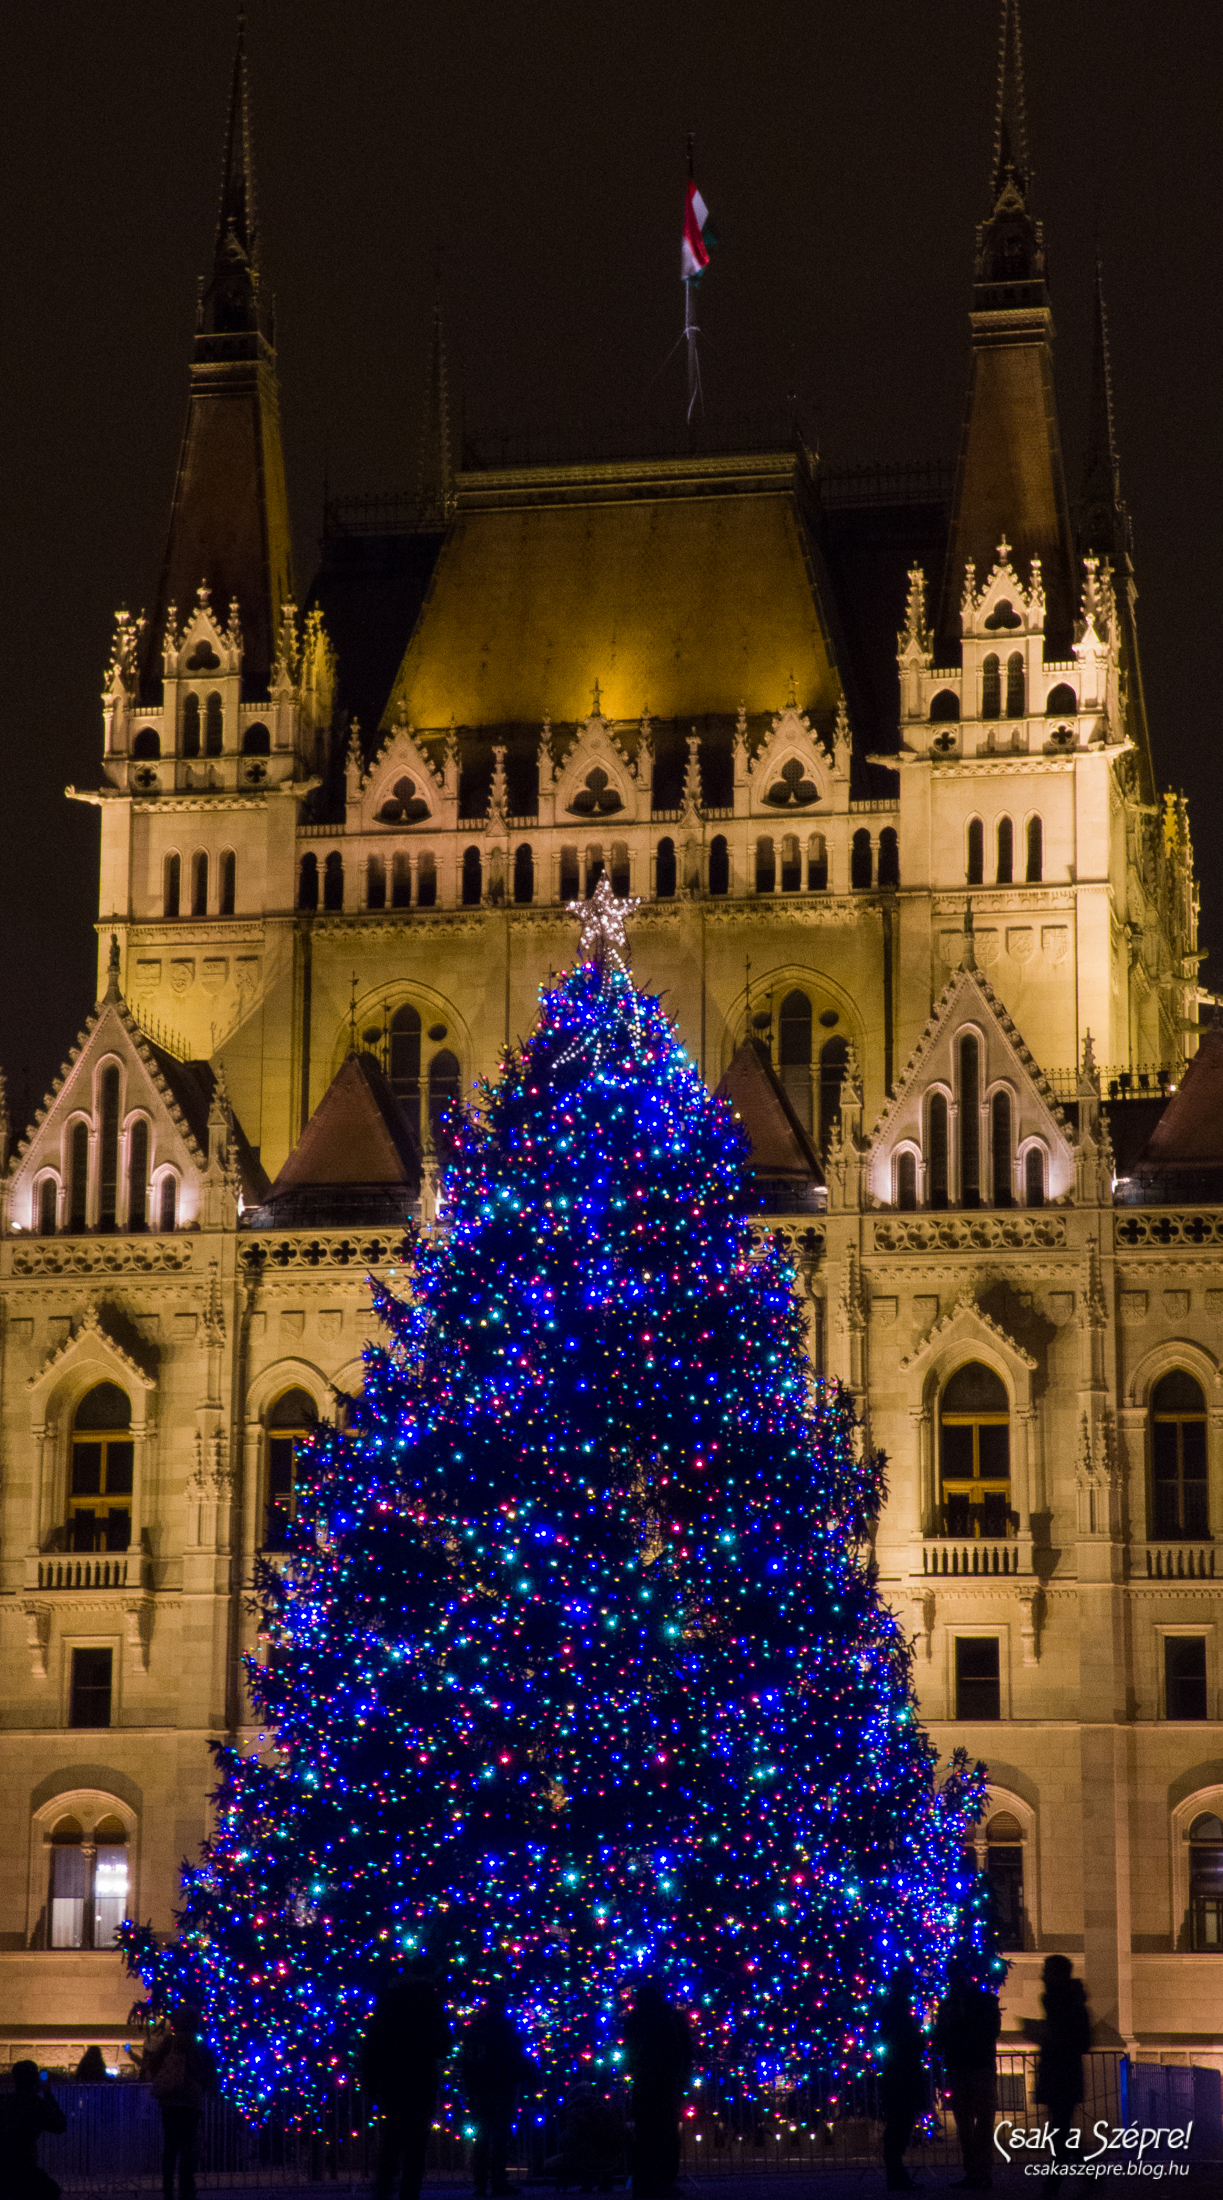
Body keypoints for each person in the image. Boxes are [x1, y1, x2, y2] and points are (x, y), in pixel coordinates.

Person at [363, 1955, 451, 2200]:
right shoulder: (429, 2000)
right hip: (420, 2078)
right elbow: (444, 2043)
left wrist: (371, 2079)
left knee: (392, 2139)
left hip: (391, 2080)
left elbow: (372, 2043)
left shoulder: (388, 1999)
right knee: (416, 2144)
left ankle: (383, 2191)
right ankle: (409, 2193)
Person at [621, 1979, 693, 2199]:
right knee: (665, 2134)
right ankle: (662, 2181)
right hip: (666, 2085)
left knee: (646, 2135)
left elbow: (630, 2054)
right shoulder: (669, 2019)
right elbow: (683, 2052)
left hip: (646, 2085)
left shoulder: (636, 2021)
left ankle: (645, 2183)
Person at [933, 1958, 1001, 2190]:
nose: (955, 1982)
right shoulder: (949, 2004)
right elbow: (939, 2038)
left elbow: (992, 2031)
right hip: (960, 2067)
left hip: (977, 2066)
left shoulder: (982, 2001)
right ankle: (974, 2171)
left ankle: (981, 2170)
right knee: (965, 2124)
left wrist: (963, 2020)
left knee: (982, 2122)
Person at [458, 1993, 531, 2197]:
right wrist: (525, 2079)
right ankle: (499, 2182)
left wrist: (470, 2086)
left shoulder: (475, 2029)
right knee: (499, 2137)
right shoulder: (505, 2028)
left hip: (479, 2090)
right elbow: (516, 2057)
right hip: (502, 2089)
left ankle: (480, 2184)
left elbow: (467, 2061)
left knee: (482, 2137)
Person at [144, 2007, 217, 2200]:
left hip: (170, 2100)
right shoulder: (200, 2044)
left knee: (170, 2145)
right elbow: (210, 2071)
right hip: (192, 2101)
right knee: (188, 2146)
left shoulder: (171, 2041)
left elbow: (153, 2064)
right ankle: (186, 2189)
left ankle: (168, 2190)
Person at [876, 1962, 928, 2193]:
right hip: (902, 2074)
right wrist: (920, 2040)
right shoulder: (897, 2010)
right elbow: (903, 2041)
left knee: (900, 2123)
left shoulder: (894, 2008)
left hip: (898, 2073)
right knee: (900, 2123)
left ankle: (896, 2173)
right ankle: (895, 2173)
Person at [1035, 1956, 1091, 2163]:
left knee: (1059, 2129)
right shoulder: (1059, 2001)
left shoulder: (1068, 2004)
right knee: (1060, 2128)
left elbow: (1082, 2041)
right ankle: (1085, 2174)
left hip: (1062, 2073)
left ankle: (1054, 2180)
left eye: (1047, 1971)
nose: (1042, 1976)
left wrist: (1052, 2037)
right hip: (1058, 2072)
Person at [0, 2061, 67, 2200]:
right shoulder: (36, 2104)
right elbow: (60, 2125)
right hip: (25, 2167)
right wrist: (48, 2095)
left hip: (5, 2167)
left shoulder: (6, 2101)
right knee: (51, 2192)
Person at [543, 2080, 627, 2191]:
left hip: (586, 2156)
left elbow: (572, 2136)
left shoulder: (575, 2112)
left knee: (563, 2157)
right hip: (612, 2154)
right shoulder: (604, 2108)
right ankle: (606, 2179)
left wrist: (563, 2142)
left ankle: (590, 2179)